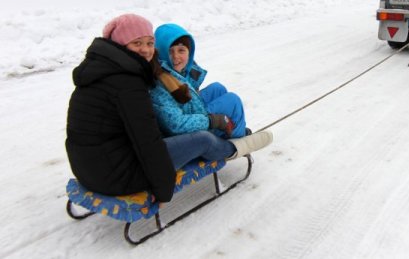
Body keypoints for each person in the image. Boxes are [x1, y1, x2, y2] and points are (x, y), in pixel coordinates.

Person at [66, 14, 272, 202]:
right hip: (117, 175)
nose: (145, 50)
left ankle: (231, 135)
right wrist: (163, 190)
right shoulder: (128, 85)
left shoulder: (105, 71)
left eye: (149, 43)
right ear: (121, 44)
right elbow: (147, 143)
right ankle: (236, 147)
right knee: (203, 139)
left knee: (216, 95)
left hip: (88, 168)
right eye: (137, 43)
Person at [150, 23, 249, 139]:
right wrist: (213, 120)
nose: (176, 56)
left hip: (189, 112)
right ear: (161, 52)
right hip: (188, 129)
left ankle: (232, 128)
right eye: (170, 51)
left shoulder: (177, 71)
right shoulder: (160, 81)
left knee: (217, 88)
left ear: (189, 51)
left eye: (181, 50)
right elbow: (175, 125)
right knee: (232, 100)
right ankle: (238, 135)